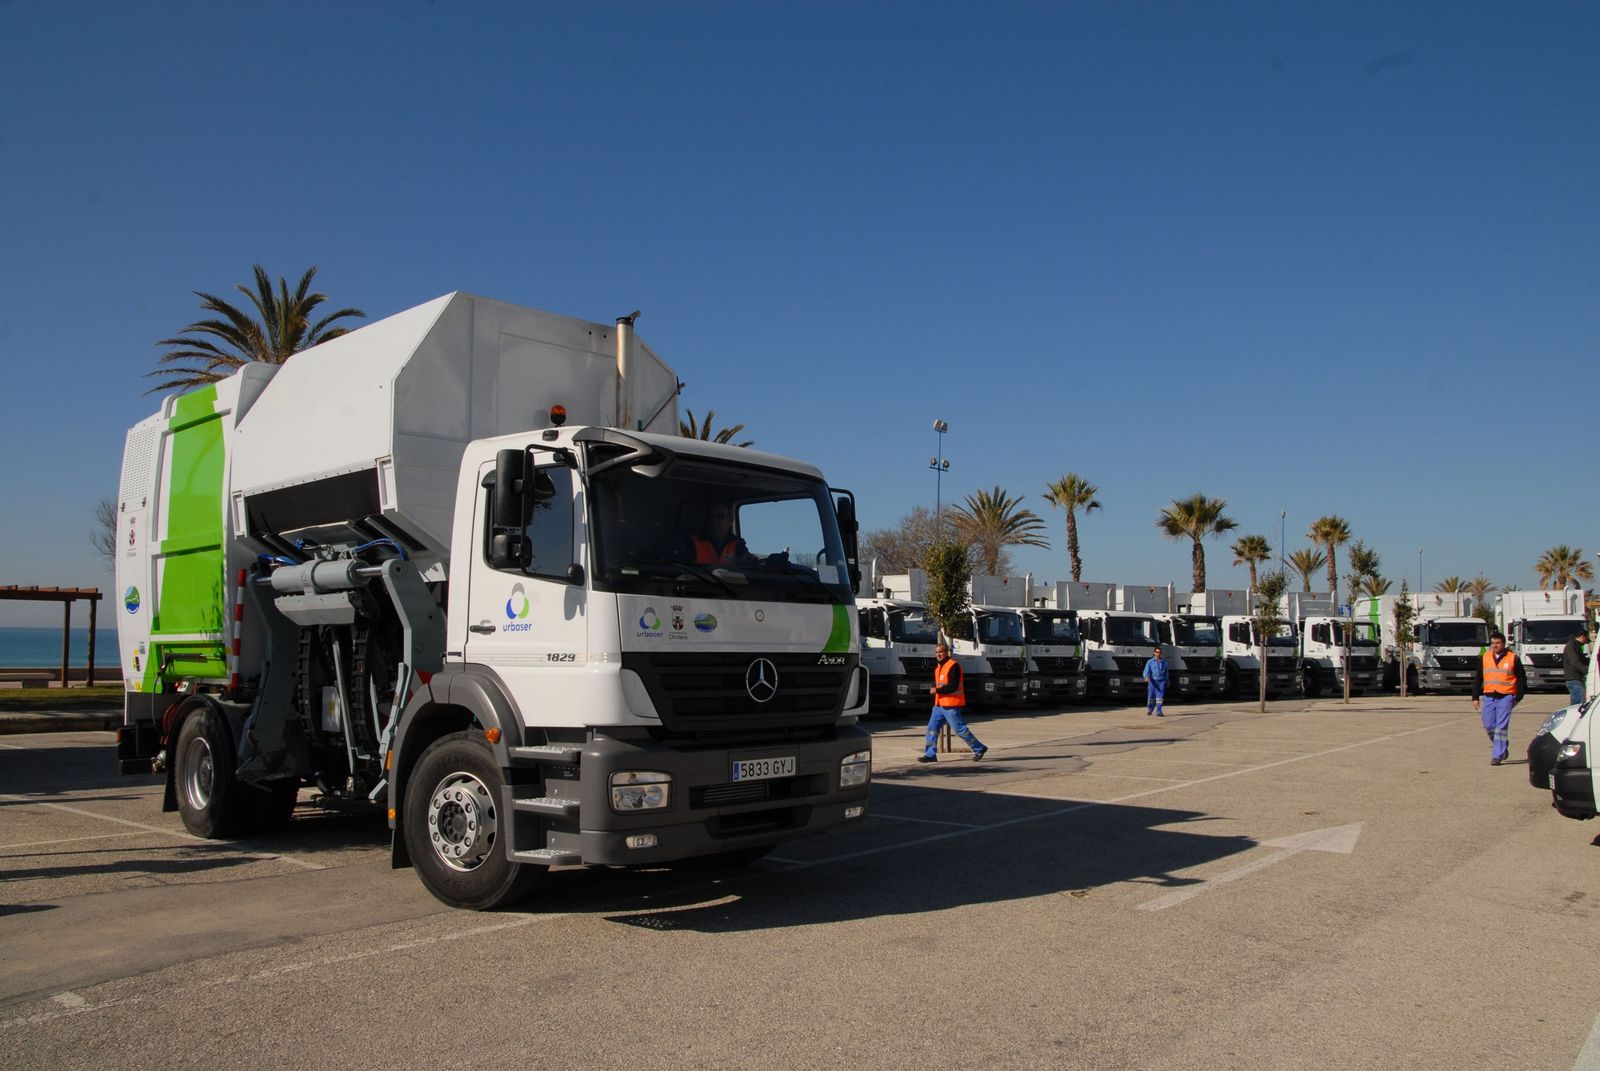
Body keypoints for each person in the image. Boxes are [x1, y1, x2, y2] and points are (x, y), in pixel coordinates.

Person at [918, 643, 988, 763]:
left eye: (940, 652)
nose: (938, 655)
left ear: (946, 652)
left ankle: (979, 748)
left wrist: (937, 690)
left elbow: (953, 686)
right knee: (932, 729)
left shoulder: (953, 666)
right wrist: (937, 691)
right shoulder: (938, 668)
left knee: (959, 729)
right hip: (939, 705)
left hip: (951, 705)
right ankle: (930, 754)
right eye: (936, 653)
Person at [1472, 630, 1526, 766]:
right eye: (1492, 643)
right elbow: (1478, 678)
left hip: (1506, 696)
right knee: (1489, 725)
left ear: (1503, 644)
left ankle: (1497, 756)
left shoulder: (1513, 658)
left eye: (1497, 643)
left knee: (1501, 727)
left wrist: (1518, 697)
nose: (1495, 645)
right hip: (1489, 696)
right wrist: (1475, 696)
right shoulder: (1485, 657)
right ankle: (1502, 745)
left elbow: (1521, 679)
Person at [1562, 628, 1590, 707]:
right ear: (1582, 637)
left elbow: (1582, 659)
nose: (1585, 643)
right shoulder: (1572, 645)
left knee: (1579, 702)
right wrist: (1587, 671)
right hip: (1574, 678)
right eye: (1586, 639)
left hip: (1576, 678)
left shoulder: (1576, 645)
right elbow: (1575, 662)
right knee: (1578, 704)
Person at [1143, 645, 1169, 716]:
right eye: (1157, 652)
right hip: (1153, 682)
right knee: (1151, 697)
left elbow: (1166, 673)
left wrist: (1167, 681)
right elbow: (1146, 671)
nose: (1158, 653)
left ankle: (1159, 711)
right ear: (1154, 653)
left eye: (1160, 652)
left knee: (1159, 698)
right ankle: (1150, 709)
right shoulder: (1150, 662)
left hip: (1161, 682)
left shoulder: (1164, 662)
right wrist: (1146, 677)